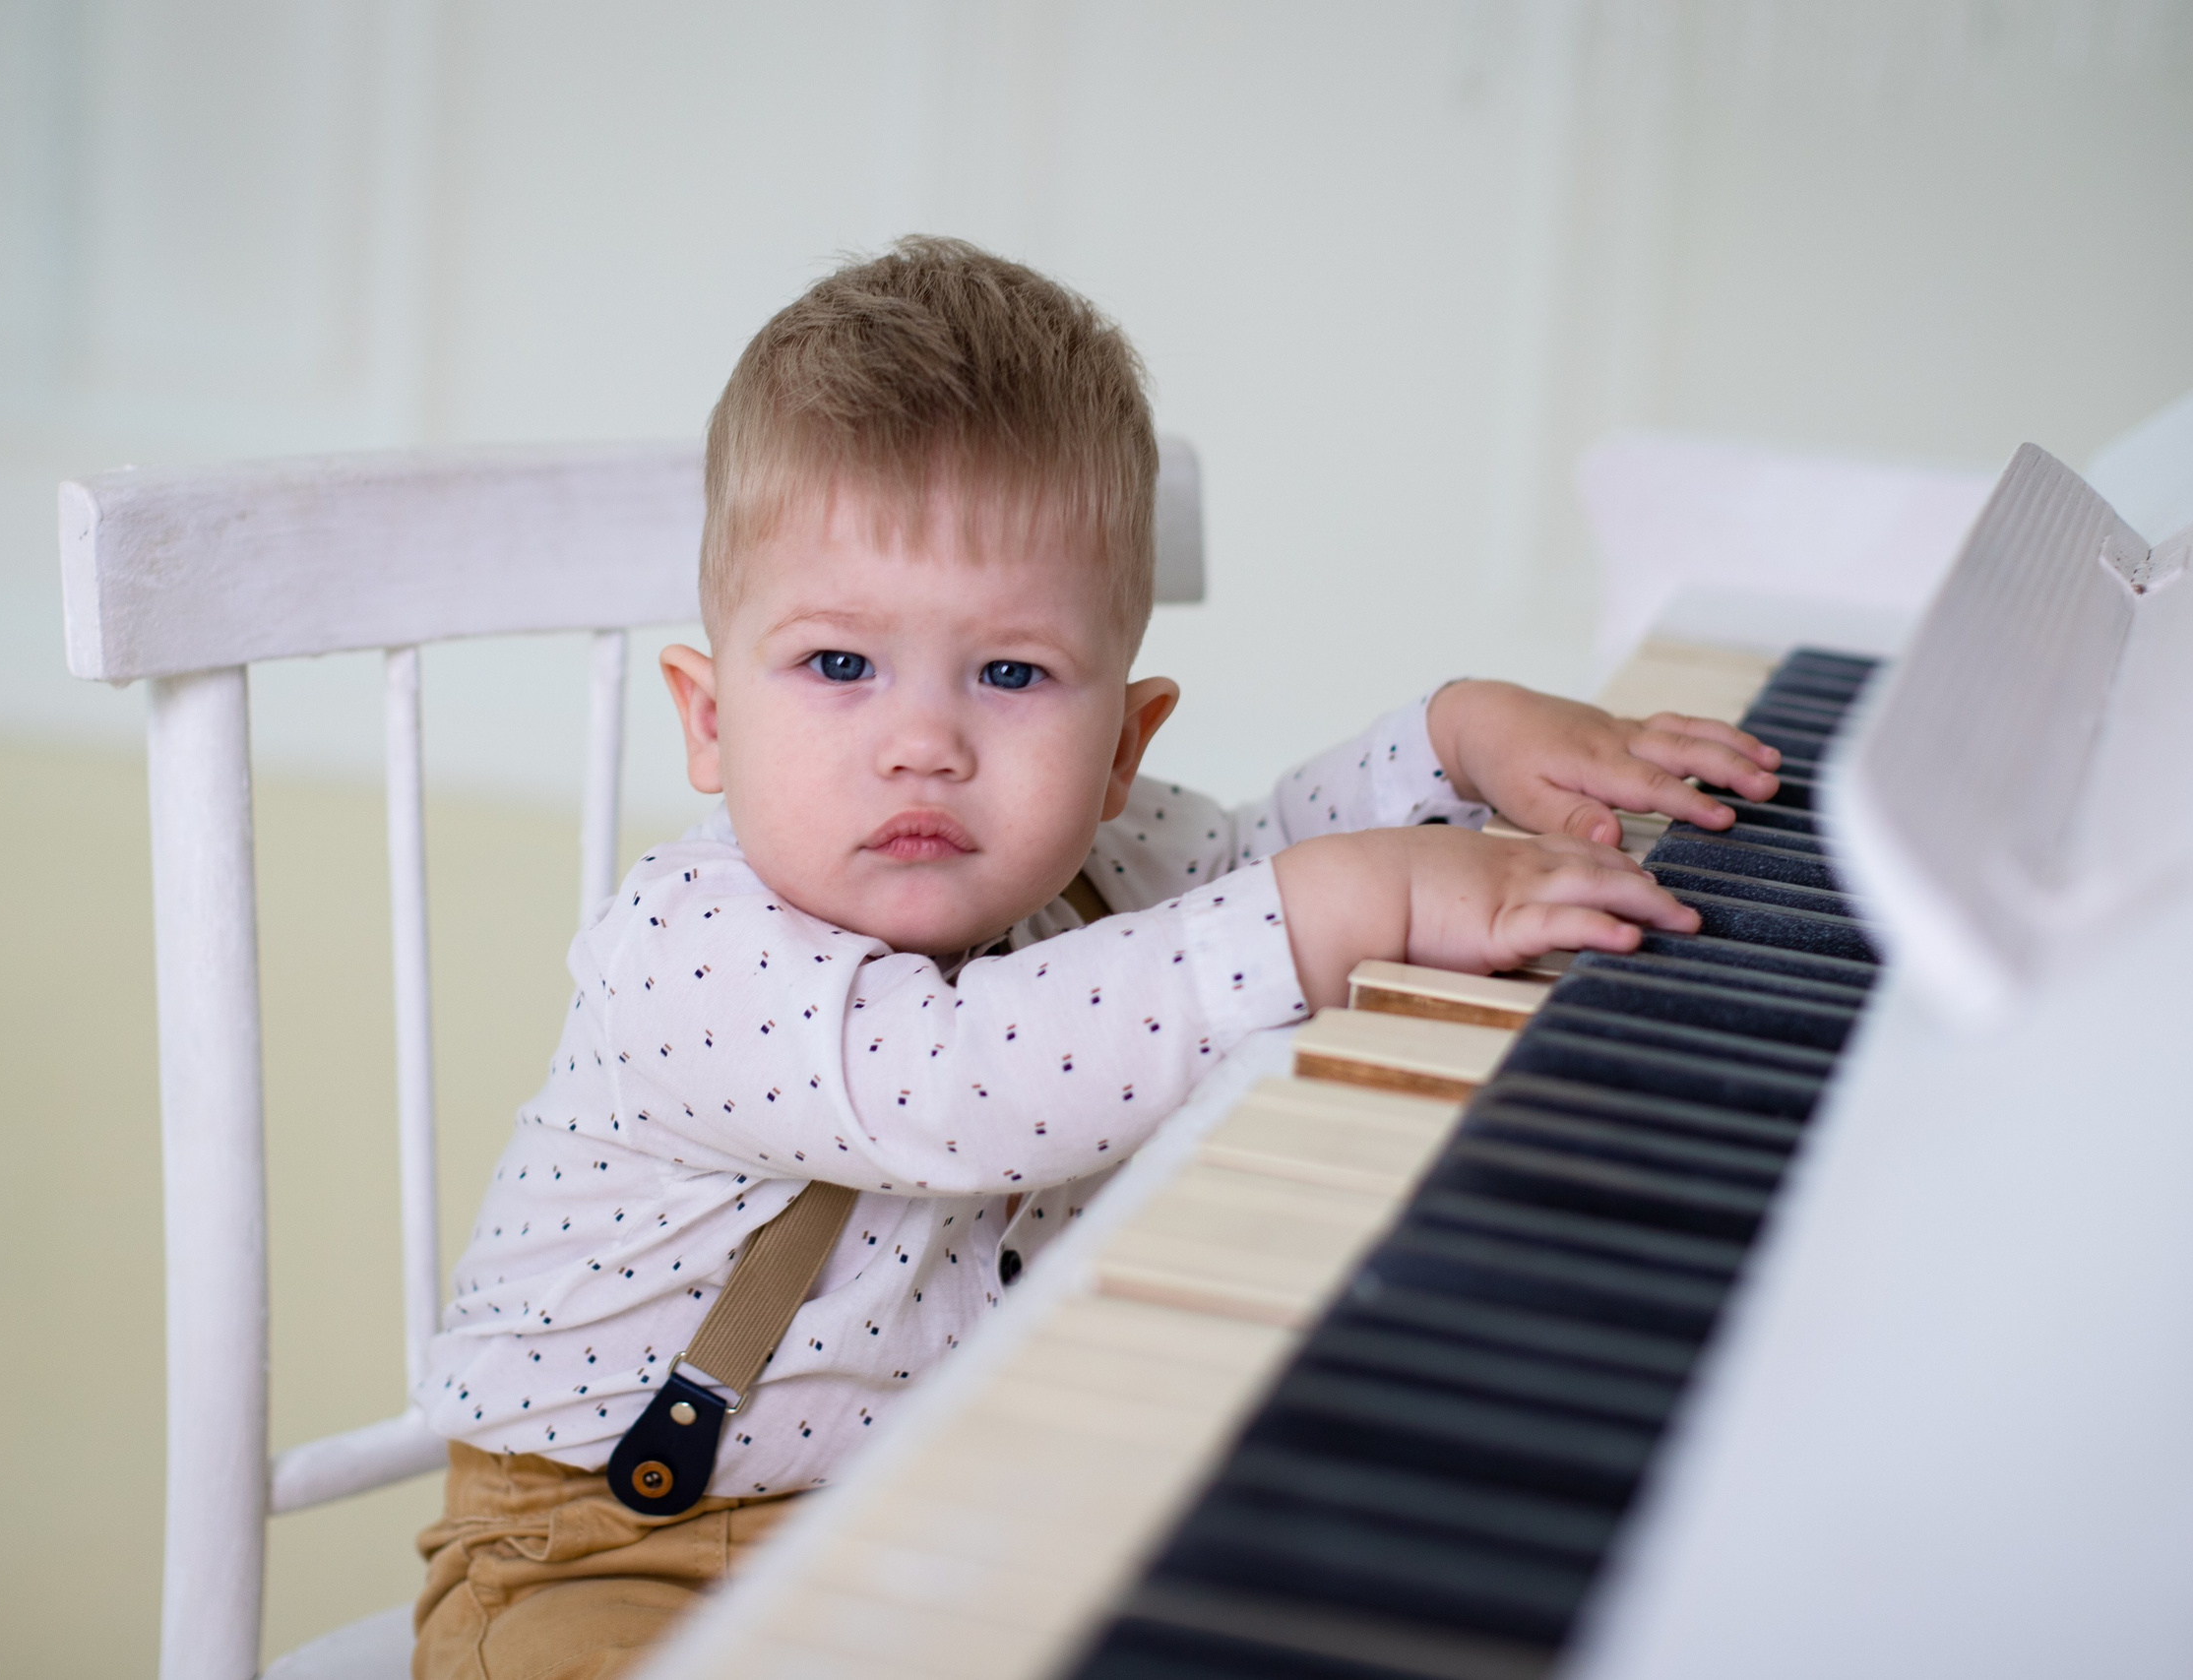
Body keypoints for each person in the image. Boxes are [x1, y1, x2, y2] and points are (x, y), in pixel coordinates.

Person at [408, 236, 1779, 1680]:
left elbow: (1254, 864)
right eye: (836, 666)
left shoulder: (1095, 872)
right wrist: (1342, 909)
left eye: (1010, 674)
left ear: (1123, 746)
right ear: (706, 719)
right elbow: (960, 1080)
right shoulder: (687, 949)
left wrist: (1449, 743)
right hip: (608, 1556)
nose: (924, 740)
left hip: (926, 1532)